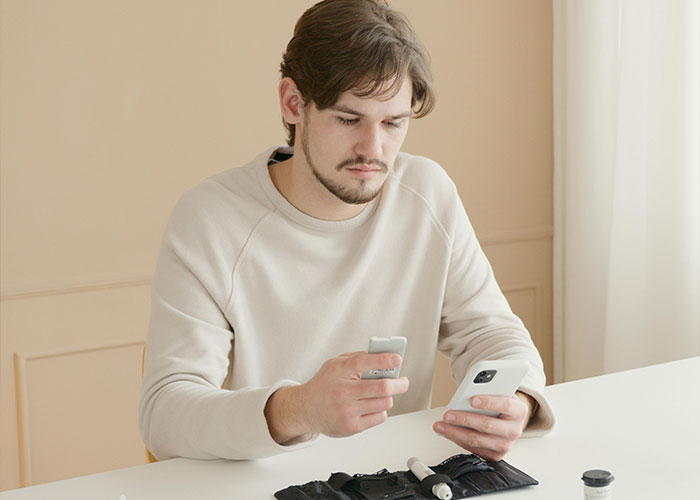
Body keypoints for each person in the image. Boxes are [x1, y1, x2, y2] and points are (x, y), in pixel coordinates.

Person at [139, 0, 555, 463]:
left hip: (397, 480)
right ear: (294, 103)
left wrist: (516, 399)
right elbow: (165, 414)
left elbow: (491, 331)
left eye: (394, 123)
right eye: (348, 119)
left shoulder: (427, 192)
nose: (373, 150)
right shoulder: (212, 219)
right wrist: (297, 409)